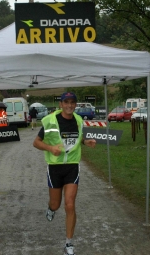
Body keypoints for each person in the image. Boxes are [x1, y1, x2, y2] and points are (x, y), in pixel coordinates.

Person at [33, 92, 96, 255]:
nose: (69, 105)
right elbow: (36, 142)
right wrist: (50, 148)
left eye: (72, 102)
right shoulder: (50, 121)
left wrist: (85, 141)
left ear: (76, 104)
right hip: (54, 167)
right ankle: (51, 209)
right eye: (66, 102)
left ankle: (69, 243)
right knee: (56, 204)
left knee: (70, 204)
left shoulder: (79, 120)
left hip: (72, 166)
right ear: (61, 104)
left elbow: (79, 137)